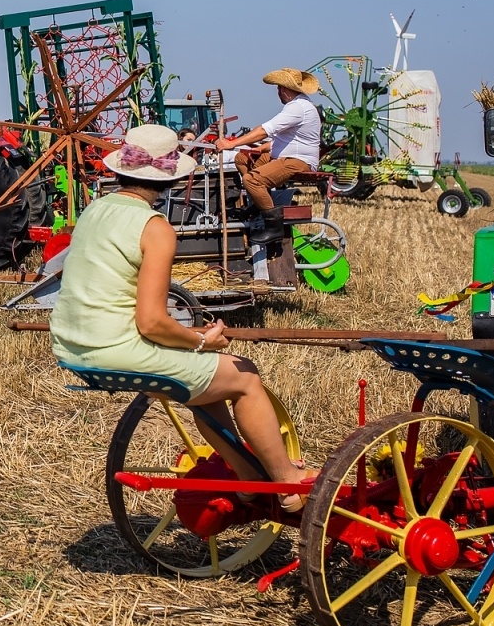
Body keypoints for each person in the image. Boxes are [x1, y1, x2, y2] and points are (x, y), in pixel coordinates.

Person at [51, 124, 317, 511]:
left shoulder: (96, 210)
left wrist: (195, 341)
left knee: (207, 386)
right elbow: (152, 323)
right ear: (171, 177)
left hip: (73, 346)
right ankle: (287, 483)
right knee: (244, 374)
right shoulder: (154, 227)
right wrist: (201, 340)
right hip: (118, 350)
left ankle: (247, 478)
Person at [218, 68, 322, 244]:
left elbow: (265, 130)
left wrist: (231, 143)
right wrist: (263, 148)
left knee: (252, 180)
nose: (278, 92)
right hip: (287, 155)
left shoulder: (297, 108)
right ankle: (259, 204)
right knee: (241, 159)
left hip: (298, 160)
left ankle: (274, 228)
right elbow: (288, 138)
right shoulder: (299, 105)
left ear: (284, 89)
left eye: (278, 88)